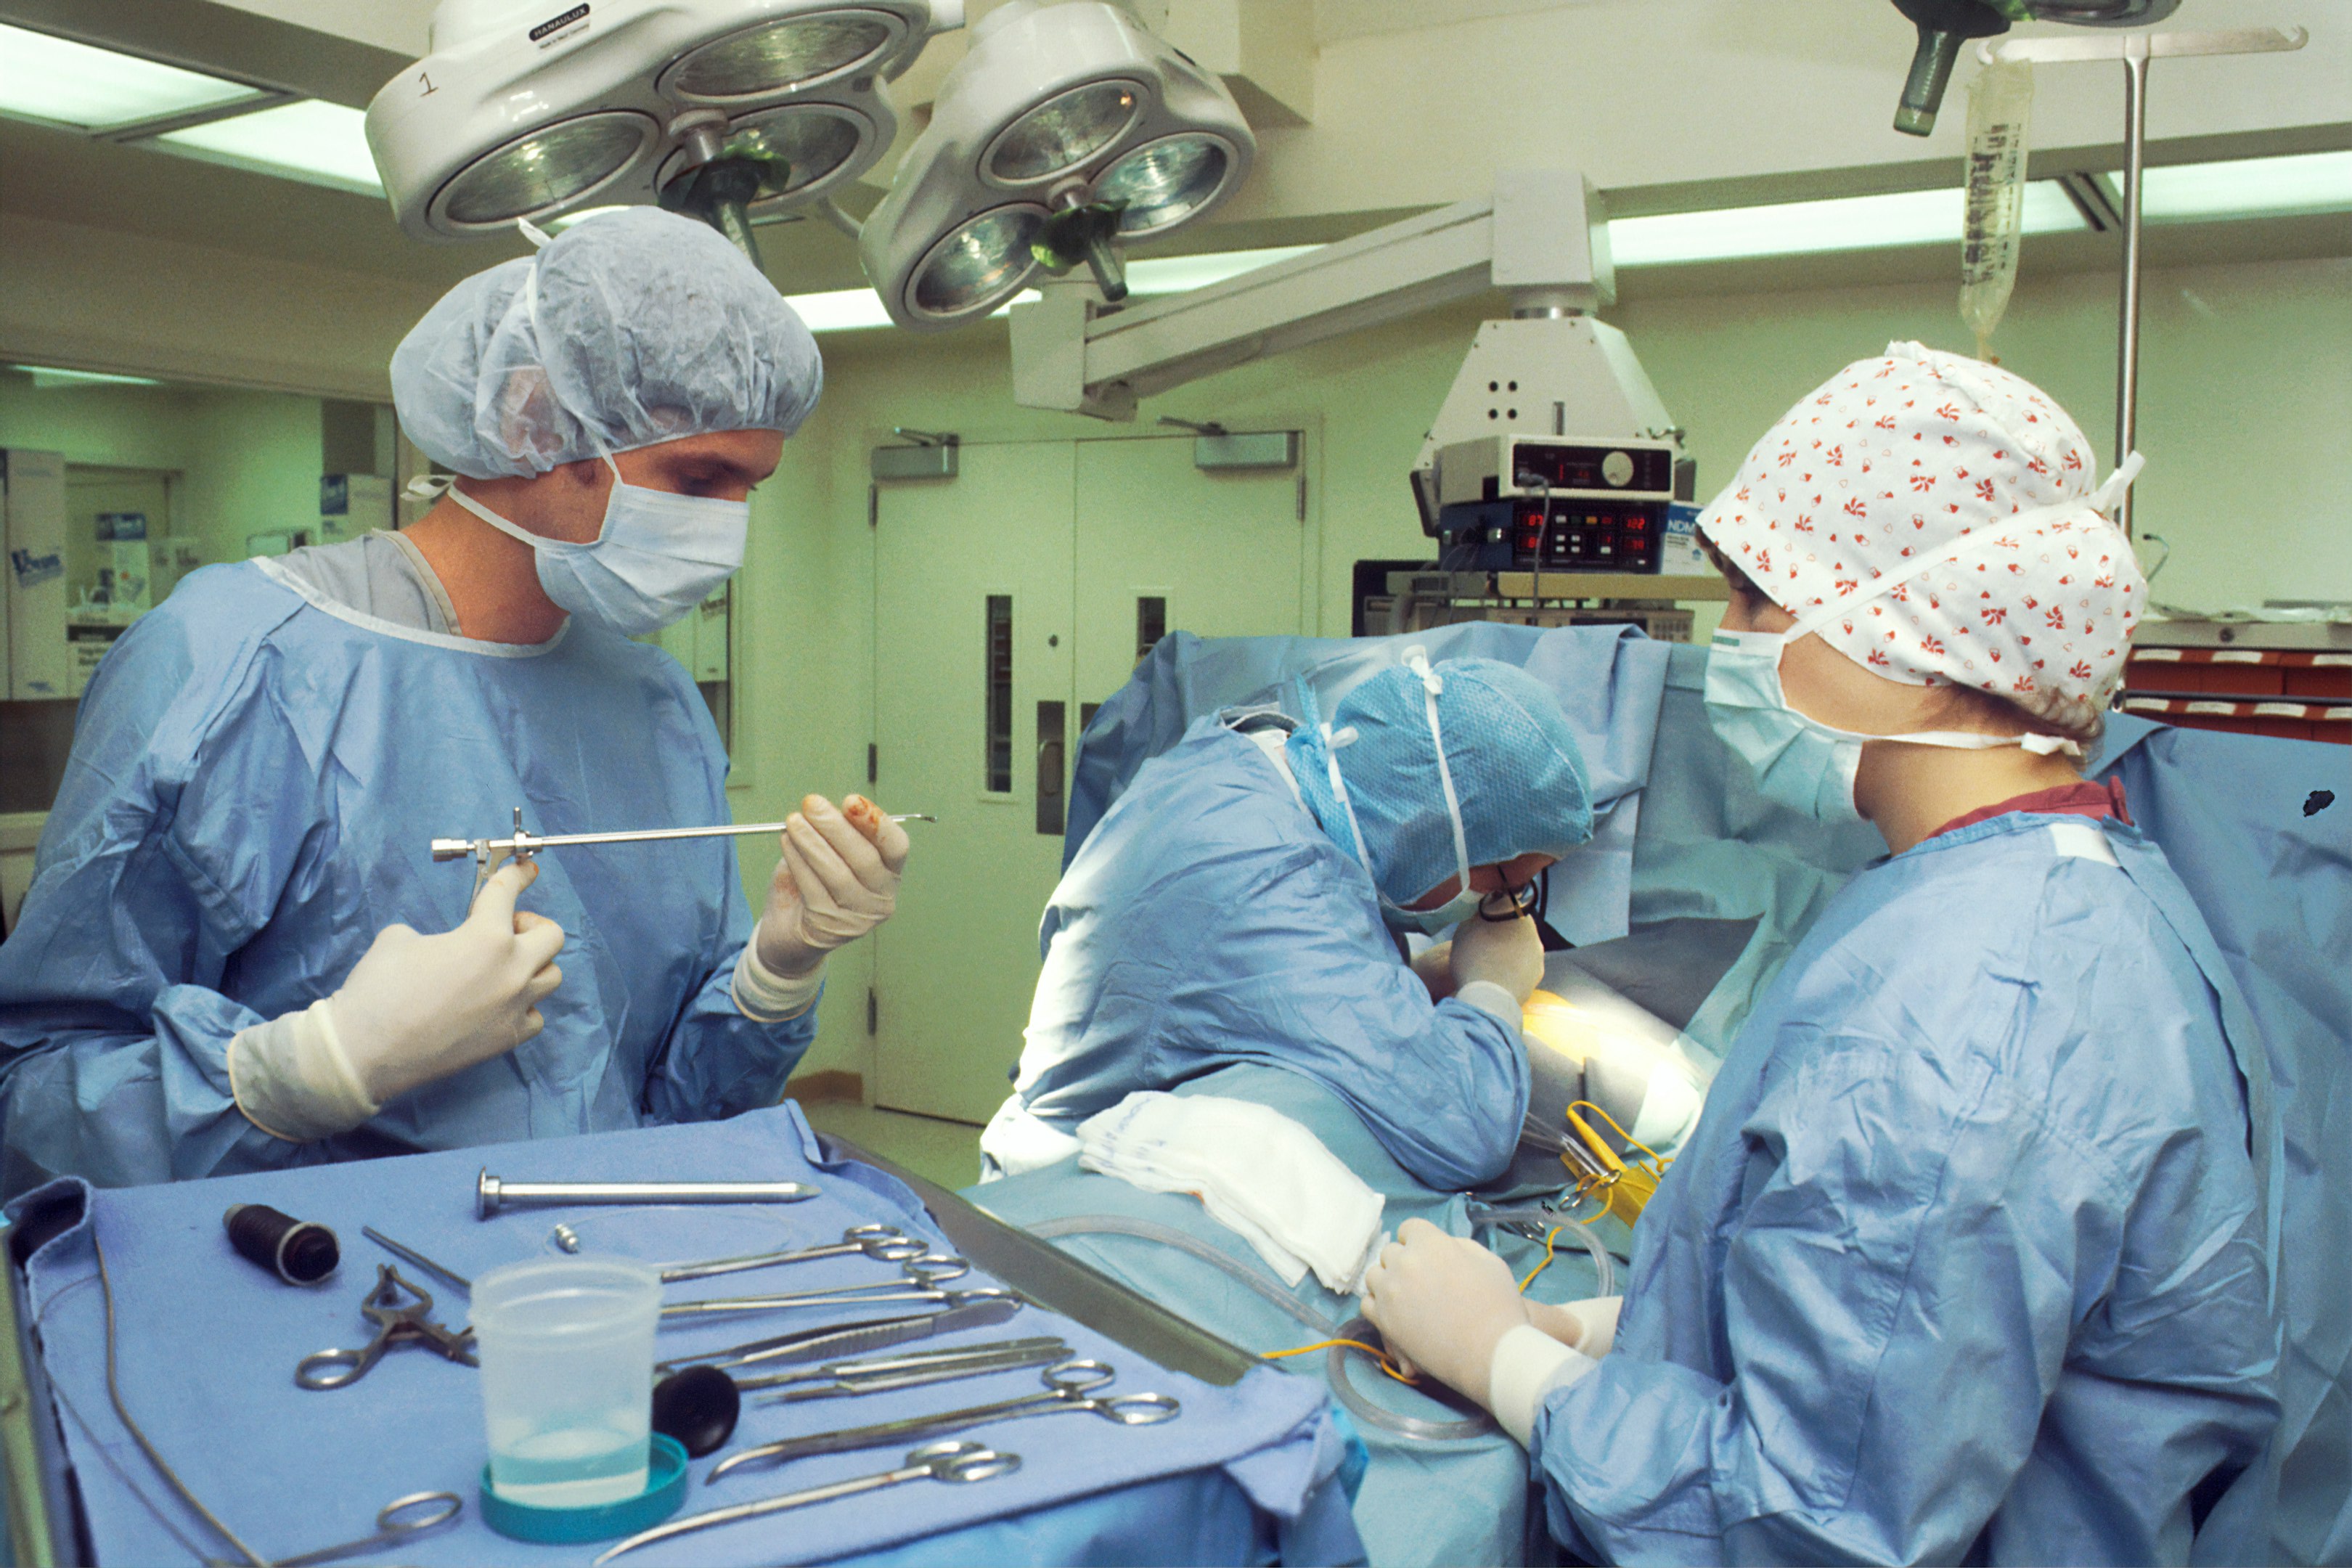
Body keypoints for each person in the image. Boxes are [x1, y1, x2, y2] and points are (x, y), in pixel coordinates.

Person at [1361, 342, 2281, 1563]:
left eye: (1758, 602)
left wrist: (1503, 1363)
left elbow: (1811, 1518)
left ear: (1915, 638)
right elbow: (1890, 1341)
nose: (1727, 640)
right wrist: (1595, 1335)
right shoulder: (2061, 883)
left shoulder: (1965, 1014)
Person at [0, 208, 908, 1194]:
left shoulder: (653, 701)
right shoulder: (233, 662)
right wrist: (314, 1069)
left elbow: (667, 1114)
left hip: (606, 1256)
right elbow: (37, 1094)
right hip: (308, 1268)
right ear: (532, 418)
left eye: (750, 490)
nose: (727, 531)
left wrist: (776, 968)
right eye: (698, 478)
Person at [981, 648, 1595, 1192]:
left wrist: (1405, 974)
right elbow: (1463, 1127)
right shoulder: (1275, 885)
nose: (1503, 906)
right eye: (1506, 885)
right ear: (1435, 833)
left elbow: (1240, 978)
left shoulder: (1247, 761)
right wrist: (1493, 989)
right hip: (1069, 1203)